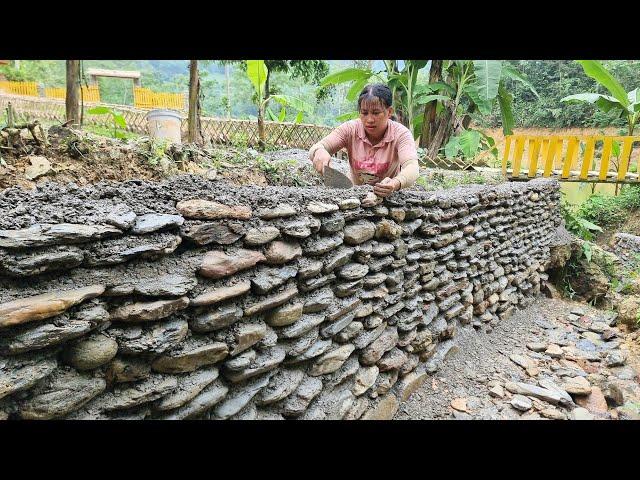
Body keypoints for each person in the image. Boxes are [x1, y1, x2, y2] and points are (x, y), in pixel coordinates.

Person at [308, 83, 419, 197]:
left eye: (376, 113)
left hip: (387, 198)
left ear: (389, 112)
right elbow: (318, 147)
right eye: (364, 113)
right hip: (354, 195)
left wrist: (395, 183)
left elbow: (412, 167)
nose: (369, 119)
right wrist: (319, 152)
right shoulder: (350, 129)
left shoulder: (401, 134)